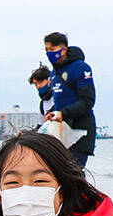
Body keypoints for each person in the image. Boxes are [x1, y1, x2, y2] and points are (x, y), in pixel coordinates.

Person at [41, 32, 97, 167]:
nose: (49, 53)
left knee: (74, 173)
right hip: (61, 132)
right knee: (58, 171)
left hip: (80, 130)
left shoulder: (81, 68)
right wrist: (53, 112)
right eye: (47, 50)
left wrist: (63, 113)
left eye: (52, 49)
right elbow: (61, 101)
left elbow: (87, 101)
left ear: (64, 49)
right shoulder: (54, 73)